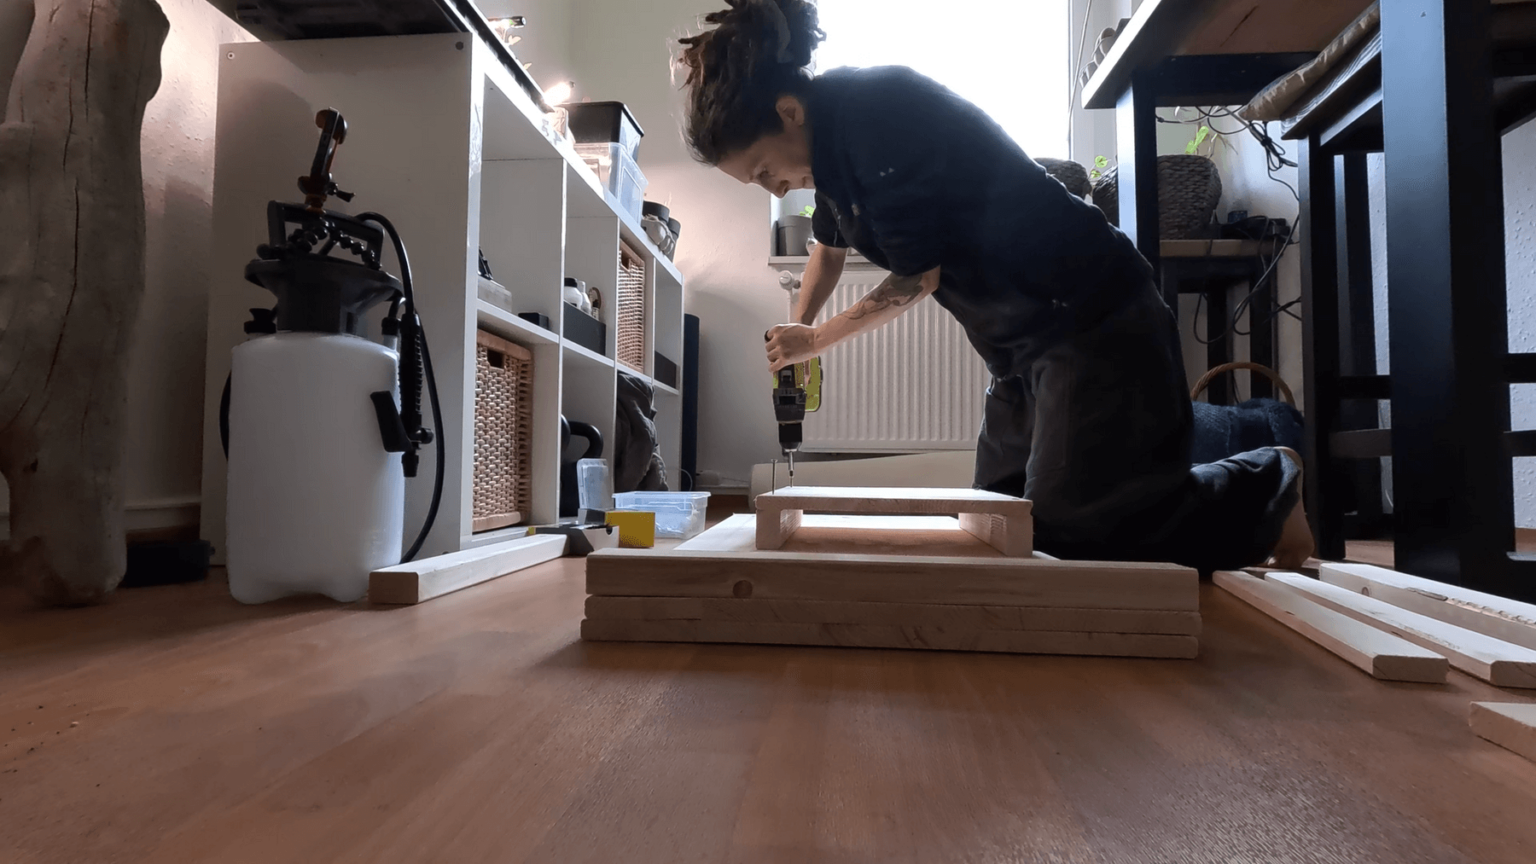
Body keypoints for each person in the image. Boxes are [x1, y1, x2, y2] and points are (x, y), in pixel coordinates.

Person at [676, 0, 1313, 572]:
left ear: (788, 112)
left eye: (764, 170)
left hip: (1092, 317)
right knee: (1000, 521)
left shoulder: (874, 117)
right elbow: (827, 250)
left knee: (1080, 532)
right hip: (1017, 349)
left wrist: (816, 340)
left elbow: (916, 277)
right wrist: (798, 326)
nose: (774, 187)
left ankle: (1264, 482)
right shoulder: (831, 157)